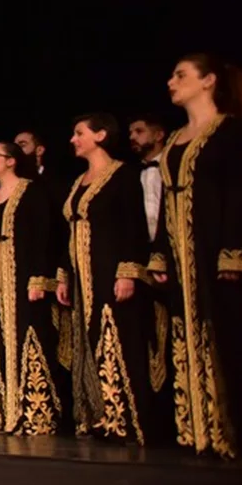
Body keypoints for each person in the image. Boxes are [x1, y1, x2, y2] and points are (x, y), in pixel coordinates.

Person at [151, 53, 242, 458]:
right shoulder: (174, 140)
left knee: (227, 336)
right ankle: (198, 429)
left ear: (208, 81)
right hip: (180, 254)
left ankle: (231, 430)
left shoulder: (230, 133)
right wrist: (158, 255)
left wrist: (232, 252)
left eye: (181, 75)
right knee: (185, 332)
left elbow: (238, 194)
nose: (172, 81)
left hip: (214, 252)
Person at [55, 114, 154, 445]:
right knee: (90, 339)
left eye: (79, 133)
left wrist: (127, 271)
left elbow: (133, 226)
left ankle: (126, 418)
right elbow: (67, 233)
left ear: (100, 135)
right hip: (83, 278)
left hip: (109, 271)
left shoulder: (122, 175)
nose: (73, 139)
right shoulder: (79, 180)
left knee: (118, 341)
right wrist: (64, 276)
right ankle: (98, 415)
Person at [0, 141, 64, 436]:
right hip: (1, 281)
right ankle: (10, 409)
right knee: (5, 341)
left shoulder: (31, 191)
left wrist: (39, 279)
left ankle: (38, 411)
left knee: (32, 338)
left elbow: (44, 237)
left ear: (12, 161)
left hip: (26, 279)